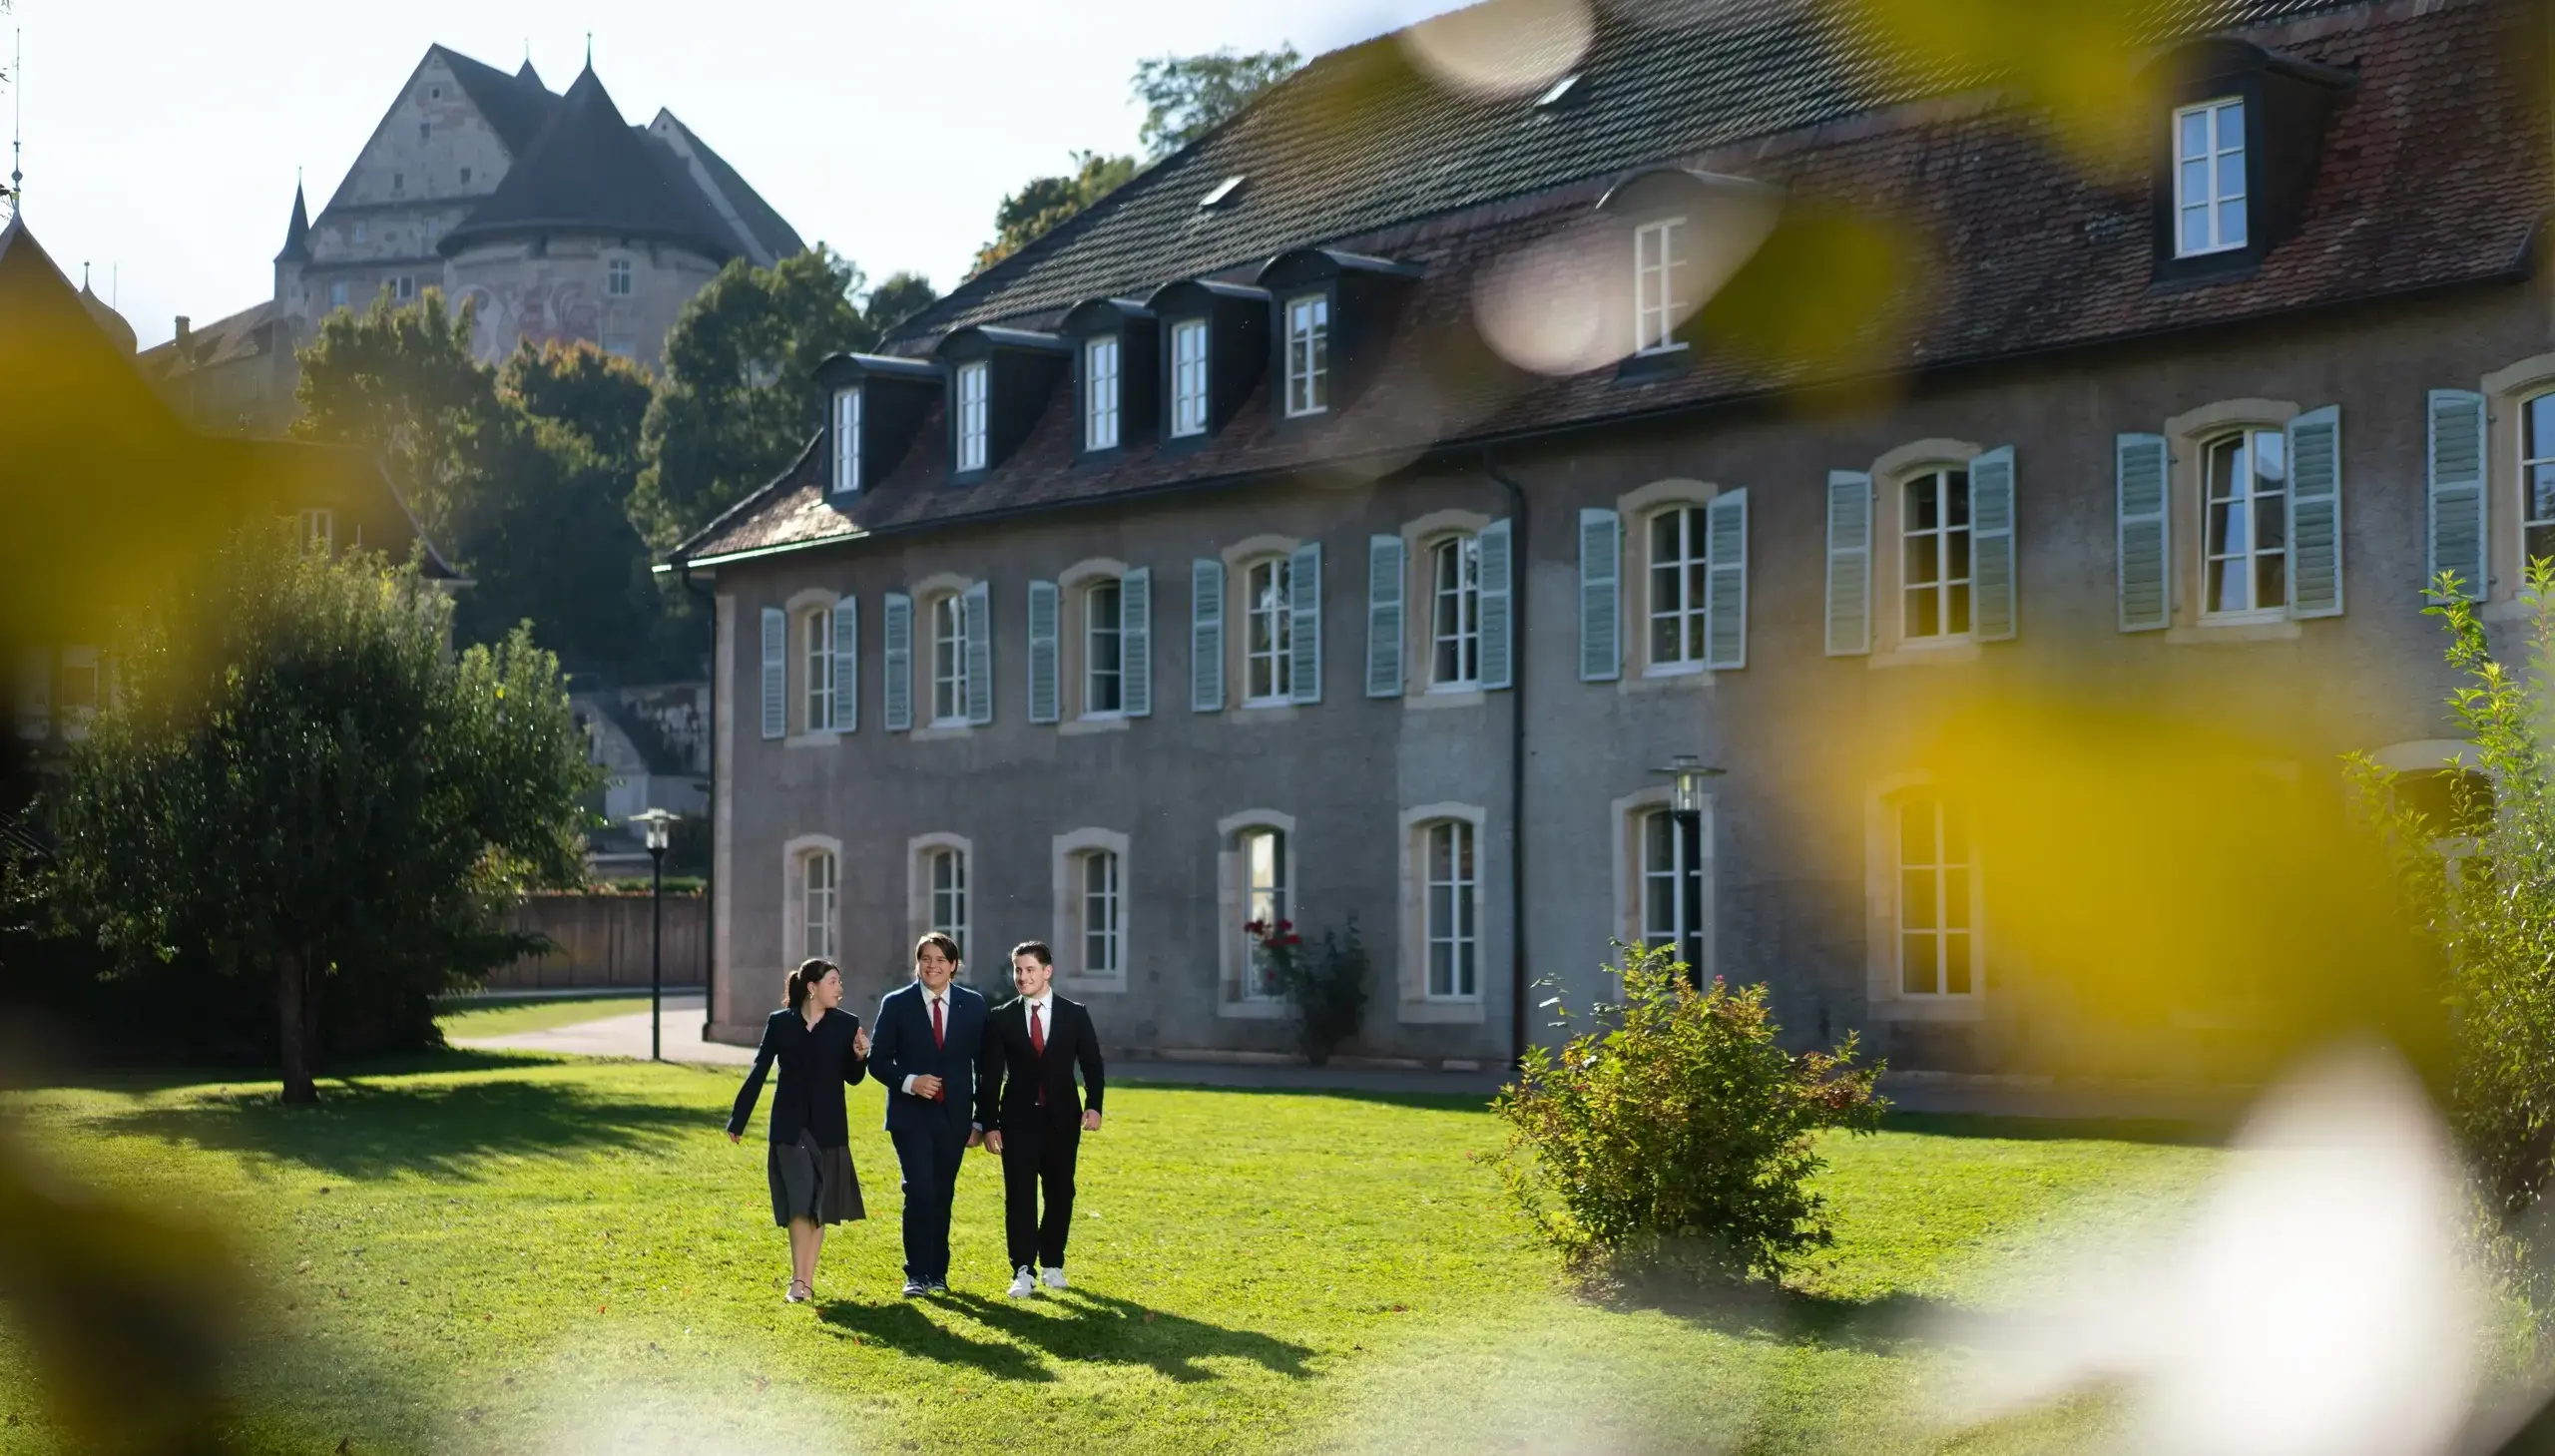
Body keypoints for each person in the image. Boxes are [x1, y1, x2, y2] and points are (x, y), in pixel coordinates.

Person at [727, 958, 871, 1304]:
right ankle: (798, 1279)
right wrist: (738, 1118)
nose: (840, 988)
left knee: (818, 1204)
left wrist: (860, 1057)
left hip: (830, 1126)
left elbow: (853, 1078)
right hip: (790, 1126)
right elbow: (759, 1069)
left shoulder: (846, 1024)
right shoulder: (780, 1024)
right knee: (799, 1201)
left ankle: (806, 1280)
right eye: (833, 981)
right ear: (812, 987)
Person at [978, 940, 1105, 1298]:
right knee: (1019, 1196)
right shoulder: (1001, 1017)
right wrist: (988, 1124)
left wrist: (1094, 1104)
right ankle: (1022, 1269)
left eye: (1030, 969)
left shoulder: (1074, 1014)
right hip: (1016, 1122)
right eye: (1018, 969)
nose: (1022, 976)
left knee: (1061, 1192)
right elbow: (989, 1076)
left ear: (1047, 972)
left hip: (1063, 1120)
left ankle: (1052, 1264)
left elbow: (1092, 1064)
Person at [867, 932, 987, 1297]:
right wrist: (910, 1082)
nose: (932, 965)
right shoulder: (897, 1003)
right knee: (918, 1189)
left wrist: (981, 1119)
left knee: (941, 1193)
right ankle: (916, 1274)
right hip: (910, 1116)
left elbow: (985, 1067)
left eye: (940, 959)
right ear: (917, 963)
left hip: (955, 1117)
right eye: (925, 958)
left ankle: (937, 1273)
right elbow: (877, 1061)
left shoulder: (974, 1004)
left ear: (953, 966)